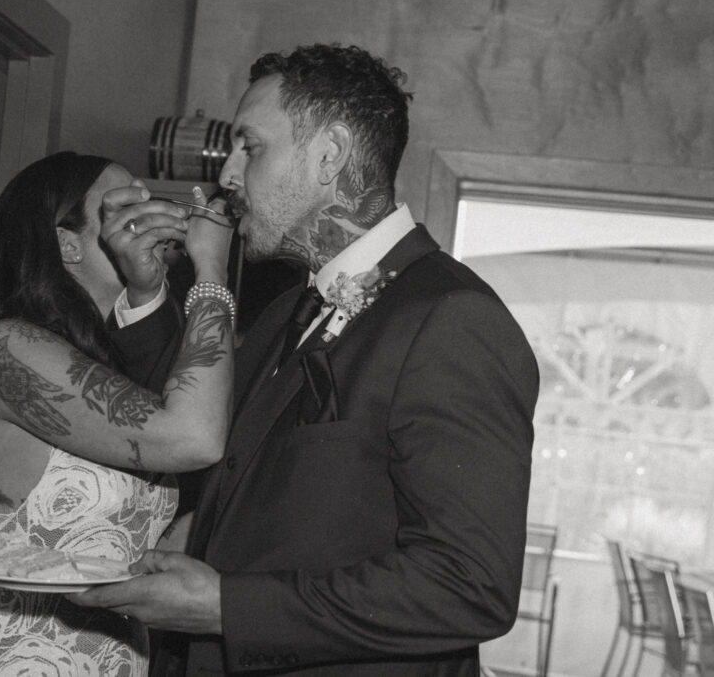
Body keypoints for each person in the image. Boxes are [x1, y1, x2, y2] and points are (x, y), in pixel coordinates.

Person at [71, 44, 540, 675]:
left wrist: (223, 607)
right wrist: (148, 290)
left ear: (330, 154)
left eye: (251, 147)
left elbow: (469, 585)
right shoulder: (290, 306)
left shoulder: (452, 319)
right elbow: (188, 430)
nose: (227, 176)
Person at [0, 151, 236, 676]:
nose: (147, 215)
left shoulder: (111, 356)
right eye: (122, 205)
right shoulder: (8, 349)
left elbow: (143, 544)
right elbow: (195, 438)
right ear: (66, 242)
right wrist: (211, 268)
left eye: (144, 201)